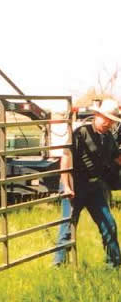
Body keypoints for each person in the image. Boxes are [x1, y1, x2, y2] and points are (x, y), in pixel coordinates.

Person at [54, 98, 121, 268]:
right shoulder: (81, 132)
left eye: (112, 121)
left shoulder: (108, 137)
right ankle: (58, 265)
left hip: (94, 186)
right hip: (75, 185)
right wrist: (67, 186)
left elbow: (116, 157)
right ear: (97, 115)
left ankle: (114, 264)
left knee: (109, 224)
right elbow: (66, 158)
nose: (108, 123)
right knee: (68, 226)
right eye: (105, 119)